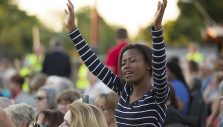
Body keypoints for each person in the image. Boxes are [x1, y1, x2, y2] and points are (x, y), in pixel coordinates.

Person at [65, 0, 169, 126]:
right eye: (123, 63)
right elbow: (95, 66)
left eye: (132, 61)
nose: (126, 66)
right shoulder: (124, 90)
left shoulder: (158, 95)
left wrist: (157, 28)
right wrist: (72, 29)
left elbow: (159, 66)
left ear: (148, 65)